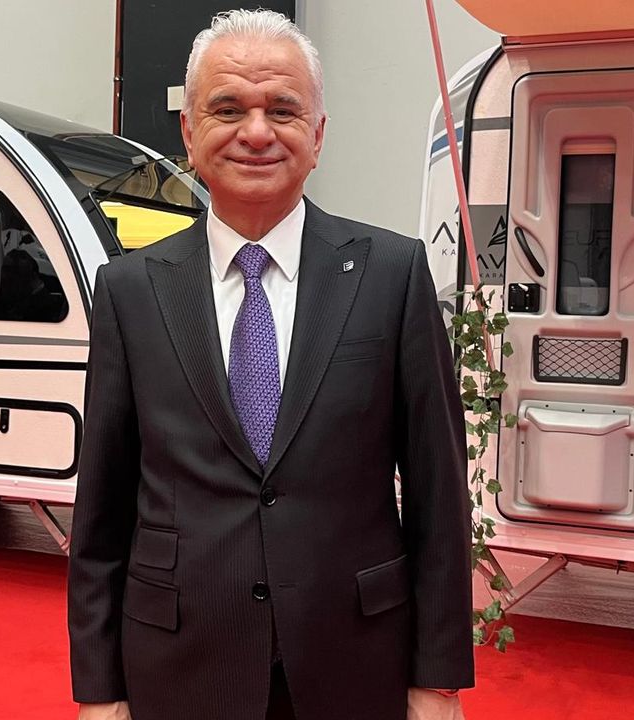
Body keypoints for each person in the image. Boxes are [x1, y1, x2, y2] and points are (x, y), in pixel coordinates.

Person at [68, 9, 473, 720]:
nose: (256, 132)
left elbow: (439, 497)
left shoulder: (392, 275)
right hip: (178, 664)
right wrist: (99, 691)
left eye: (282, 110)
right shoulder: (130, 291)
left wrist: (436, 681)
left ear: (318, 135)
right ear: (189, 133)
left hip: (354, 660)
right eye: (228, 109)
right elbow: (102, 508)